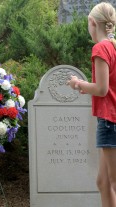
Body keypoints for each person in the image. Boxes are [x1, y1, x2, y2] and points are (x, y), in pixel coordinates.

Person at [68, 2, 116, 207]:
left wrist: (78, 83)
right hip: (110, 120)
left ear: (92, 22)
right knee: (103, 182)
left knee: (113, 181)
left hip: (109, 120)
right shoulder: (112, 46)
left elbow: (102, 89)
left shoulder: (101, 48)